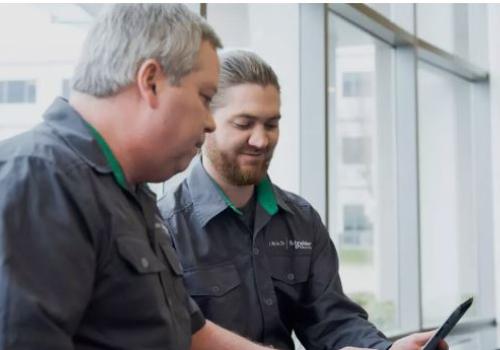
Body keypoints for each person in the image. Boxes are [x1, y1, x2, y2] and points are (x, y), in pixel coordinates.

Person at [0, 5, 275, 350]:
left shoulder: (130, 191)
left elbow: (191, 334)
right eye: (205, 98)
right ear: (151, 82)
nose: (209, 123)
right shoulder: (38, 182)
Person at [158, 50, 448, 350]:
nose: (261, 141)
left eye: (271, 125)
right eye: (244, 124)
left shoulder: (301, 219)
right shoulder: (165, 228)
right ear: (206, 122)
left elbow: (332, 322)